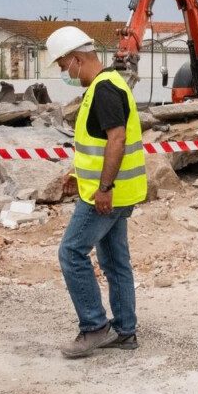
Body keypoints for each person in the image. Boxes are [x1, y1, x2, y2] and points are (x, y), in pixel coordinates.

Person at [44, 26, 147, 359]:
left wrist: (103, 188)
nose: (64, 73)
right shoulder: (107, 86)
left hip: (106, 196)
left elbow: (116, 140)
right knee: (115, 260)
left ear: (76, 59)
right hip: (118, 191)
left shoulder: (103, 89)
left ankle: (94, 327)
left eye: (63, 66)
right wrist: (79, 174)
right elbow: (100, 144)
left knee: (71, 252)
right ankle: (125, 330)